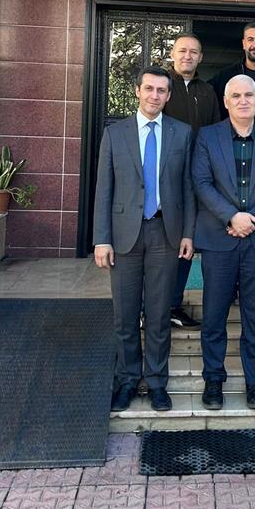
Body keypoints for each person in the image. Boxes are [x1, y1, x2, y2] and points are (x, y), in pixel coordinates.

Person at [93, 66, 195, 414]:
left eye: (161, 90)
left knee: (158, 312)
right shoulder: (115, 133)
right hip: (124, 235)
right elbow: (104, 189)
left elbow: (188, 188)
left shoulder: (182, 133)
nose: (155, 95)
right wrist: (102, 239)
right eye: (149, 88)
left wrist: (188, 233)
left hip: (166, 232)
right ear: (137, 91)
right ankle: (126, 380)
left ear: (168, 96)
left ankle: (156, 382)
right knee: (125, 314)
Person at [192, 74, 255, 410]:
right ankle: (213, 381)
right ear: (226, 101)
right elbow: (201, 183)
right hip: (219, 239)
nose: (243, 100)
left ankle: (254, 384)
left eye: (249, 95)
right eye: (236, 96)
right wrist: (232, 216)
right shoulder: (207, 137)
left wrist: (251, 219)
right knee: (214, 316)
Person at [163, 33, 221, 330]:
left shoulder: (208, 91)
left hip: (197, 182)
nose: (187, 56)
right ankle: (152, 308)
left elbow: (215, 135)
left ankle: (173, 305)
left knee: (187, 242)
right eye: (182, 50)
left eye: (193, 52)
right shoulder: (161, 86)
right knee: (162, 245)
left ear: (200, 57)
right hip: (165, 181)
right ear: (172, 54)